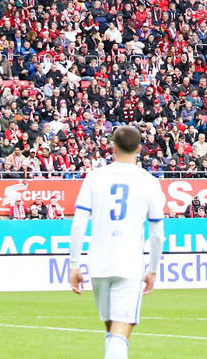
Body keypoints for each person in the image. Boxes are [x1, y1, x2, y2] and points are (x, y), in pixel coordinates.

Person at [68, 125, 166, 359]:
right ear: (140, 149)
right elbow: (157, 234)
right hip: (129, 264)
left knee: (112, 331)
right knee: (120, 333)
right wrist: (153, 269)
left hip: (99, 263)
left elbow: (79, 223)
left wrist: (74, 264)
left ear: (112, 147)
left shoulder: (94, 177)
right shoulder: (149, 182)